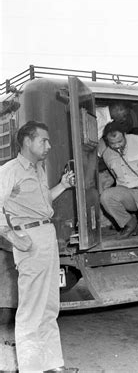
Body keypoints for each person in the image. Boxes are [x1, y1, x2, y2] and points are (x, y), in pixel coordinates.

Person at [0, 121, 77, 372]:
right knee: (31, 310)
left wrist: (63, 185)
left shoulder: (38, 168)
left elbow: (41, 205)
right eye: (44, 140)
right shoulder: (9, 170)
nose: (49, 145)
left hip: (46, 233)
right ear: (27, 141)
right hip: (29, 239)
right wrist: (14, 238)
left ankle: (53, 365)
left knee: (49, 305)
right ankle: (31, 369)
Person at [99, 121, 138, 292]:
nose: (117, 145)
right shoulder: (106, 153)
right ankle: (129, 223)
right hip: (127, 192)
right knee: (106, 197)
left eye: (120, 141)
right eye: (113, 144)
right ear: (107, 141)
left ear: (124, 135)